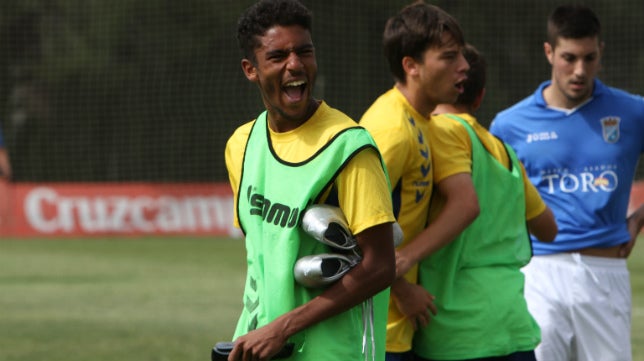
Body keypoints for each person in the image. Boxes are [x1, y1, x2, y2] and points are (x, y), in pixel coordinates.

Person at [224, 1, 396, 360]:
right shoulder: (241, 145)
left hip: (332, 352)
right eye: (278, 56)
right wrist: (260, 332)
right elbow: (264, 256)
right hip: (259, 347)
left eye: (304, 51)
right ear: (250, 70)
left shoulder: (349, 147)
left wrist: (284, 327)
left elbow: (381, 266)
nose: (295, 64)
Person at [490, 5, 644, 361]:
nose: (579, 70)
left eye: (589, 58)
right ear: (549, 52)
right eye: (569, 58)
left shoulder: (632, 112)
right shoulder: (509, 125)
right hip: (539, 274)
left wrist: (637, 220)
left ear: (601, 52)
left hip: (606, 273)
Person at [394, 43, 557, 361]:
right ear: (480, 97)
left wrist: (402, 262)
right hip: (513, 323)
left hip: (457, 330)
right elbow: (548, 229)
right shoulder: (506, 152)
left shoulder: (439, 131)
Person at [359, 3, 470, 360]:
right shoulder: (390, 129)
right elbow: (346, 227)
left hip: (398, 329)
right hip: (373, 331)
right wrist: (401, 289)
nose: (464, 66)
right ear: (411, 66)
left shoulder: (422, 121)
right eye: (449, 57)